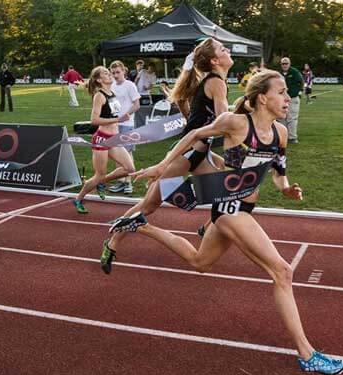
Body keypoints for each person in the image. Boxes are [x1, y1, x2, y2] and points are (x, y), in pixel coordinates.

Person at [111, 70, 343, 375]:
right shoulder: (236, 124)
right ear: (263, 97)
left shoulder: (280, 133)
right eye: (281, 92)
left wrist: (286, 188)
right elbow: (195, 134)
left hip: (245, 209)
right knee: (282, 271)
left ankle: (140, 226)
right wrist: (163, 164)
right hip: (229, 206)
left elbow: (277, 170)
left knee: (200, 262)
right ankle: (307, 354)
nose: (288, 98)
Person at [100, 38, 232, 274]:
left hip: (201, 154)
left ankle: (208, 226)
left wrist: (194, 120)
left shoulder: (210, 81)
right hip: (185, 155)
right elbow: (224, 122)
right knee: (149, 206)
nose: (228, 50)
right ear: (214, 60)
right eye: (223, 49)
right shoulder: (216, 83)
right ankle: (112, 241)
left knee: (230, 190)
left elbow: (182, 99)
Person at [72, 66, 135, 213]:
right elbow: (94, 120)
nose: (110, 74)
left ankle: (101, 182)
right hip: (102, 139)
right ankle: (78, 199)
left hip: (114, 138)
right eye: (106, 73)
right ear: (99, 80)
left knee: (130, 169)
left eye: (109, 72)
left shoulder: (111, 93)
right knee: (99, 174)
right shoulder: (99, 96)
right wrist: (119, 119)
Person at [107, 60, 140, 195]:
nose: (115, 75)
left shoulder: (130, 85)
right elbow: (112, 104)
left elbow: (137, 105)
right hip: (115, 124)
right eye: (113, 73)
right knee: (116, 154)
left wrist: (126, 115)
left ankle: (128, 182)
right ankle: (120, 181)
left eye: (118, 72)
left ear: (124, 71)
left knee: (127, 153)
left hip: (127, 124)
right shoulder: (112, 86)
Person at [279, 57, 303, 143]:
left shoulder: (295, 72)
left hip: (293, 98)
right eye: (283, 64)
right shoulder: (279, 73)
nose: (285, 65)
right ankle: (282, 136)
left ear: (289, 64)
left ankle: (292, 137)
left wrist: (297, 92)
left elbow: (301, 83)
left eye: (286, 63)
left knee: (292, 118)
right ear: (281, 64)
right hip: (281, 99)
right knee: (281, 117)